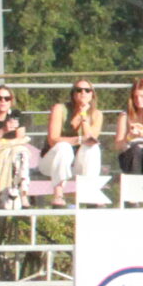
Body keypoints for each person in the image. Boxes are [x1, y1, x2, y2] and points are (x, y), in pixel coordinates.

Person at [44, 80, 104, 208]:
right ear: (73, 93)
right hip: (53, 161)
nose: (83, 92)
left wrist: (83, 115)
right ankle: (58, 194)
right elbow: (52, 139)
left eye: (87, 90)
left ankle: (89, 193)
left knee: (93, 148)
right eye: (79, 90)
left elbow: (91, 139)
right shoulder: (60, 109)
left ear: (92, 94)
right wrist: (78, 140)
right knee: (63, 147)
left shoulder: (97, 114)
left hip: (78, 162)